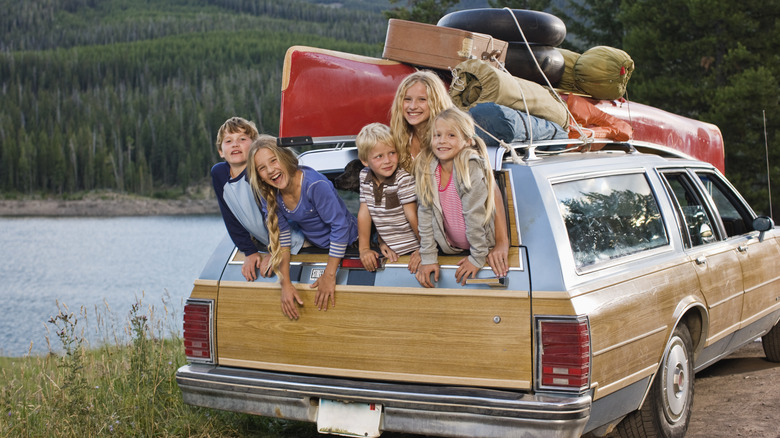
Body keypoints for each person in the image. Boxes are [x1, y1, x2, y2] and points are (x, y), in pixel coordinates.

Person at [390, 71, 510, 277]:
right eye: (406, 99)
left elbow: (490, 191)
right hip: (424, 239)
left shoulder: (453, 139)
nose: (412, 106)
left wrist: (502, 242)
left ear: (435, 101)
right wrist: (387, 240)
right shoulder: (398, 141)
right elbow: (392, 195)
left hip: (463, 238)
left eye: (421, 100)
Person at [247, 137, 358, 320]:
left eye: (273, 160)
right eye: (262, 168)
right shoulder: (270, 194)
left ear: (284, 157)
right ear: (258, 175)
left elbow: (340, 227)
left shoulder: (314, 185)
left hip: (351, 243)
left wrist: (329, 274)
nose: (270, 170)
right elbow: (283, 239)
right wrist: (286, 284)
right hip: (318, 246)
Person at [211, 119, 305, 282]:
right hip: (273, 243)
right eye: (228, 141)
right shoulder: (219, 174)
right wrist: (249, 251)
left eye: (242, 139)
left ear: (255, 147)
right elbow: (230, 217)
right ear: (220, 151)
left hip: (297, 240)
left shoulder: (263, 174)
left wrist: (276, 251)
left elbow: (283, 216)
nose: (235, 144)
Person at [414, 107, 497, 288]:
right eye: (437, 135)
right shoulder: (429, 169)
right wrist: (428, 257)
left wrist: (477, 257)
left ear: (467, 141)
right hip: (450, 250)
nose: (442, 141)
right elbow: (425, 216)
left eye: (451, 135)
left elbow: (474, 215)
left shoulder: (470, 167)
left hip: (480, 247)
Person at [354, 123, 420, 273]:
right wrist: (364, 249)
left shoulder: (402, 178)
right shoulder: (364, 176)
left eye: (392, 153)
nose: (388, 160)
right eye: (379, 156)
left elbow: (413, 215)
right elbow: (365, 214)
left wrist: (425, 250)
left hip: (414, 250)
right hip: (392, 253)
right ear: (365, 161)